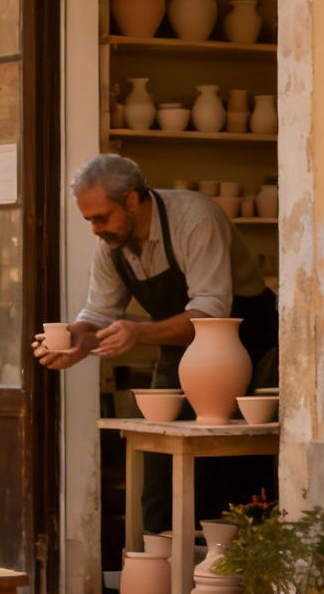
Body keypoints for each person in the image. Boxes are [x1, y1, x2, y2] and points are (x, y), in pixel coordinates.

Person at [33, 154, 277, 533]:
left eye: (101, 217)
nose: (95, 229)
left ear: (133, 200)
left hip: (244, 346)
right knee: (160, 463)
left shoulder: (196, 219)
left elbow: (212, 312)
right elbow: (98, 312)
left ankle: (231, 577)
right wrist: (77, 340)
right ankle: (164, 567)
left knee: (231, 468)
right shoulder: (113, 244)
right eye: (89, 220)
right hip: (180, 349)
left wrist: (139, 332)